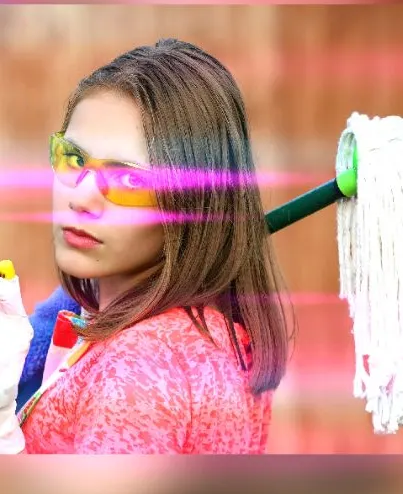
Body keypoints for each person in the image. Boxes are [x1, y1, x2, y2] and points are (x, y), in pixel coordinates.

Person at [11, 38, 290, 453]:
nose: (81, 196)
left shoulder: (135, 372)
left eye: (128, 180)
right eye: (74, 159)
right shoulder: (224, 337)